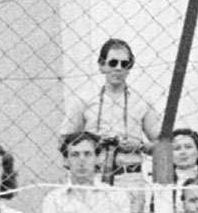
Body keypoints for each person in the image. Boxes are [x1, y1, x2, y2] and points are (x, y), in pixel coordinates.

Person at [64, 38, 161, 183]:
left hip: (130, 177)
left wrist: (139, 146)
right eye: (113, 63)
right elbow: (65, 141)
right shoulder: (83, 100)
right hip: (93, 176)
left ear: (129, 68)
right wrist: (92, 143)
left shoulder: (142, 101)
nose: (119, 68)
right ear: (102, 66)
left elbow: (162, 145)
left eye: (124, 64)